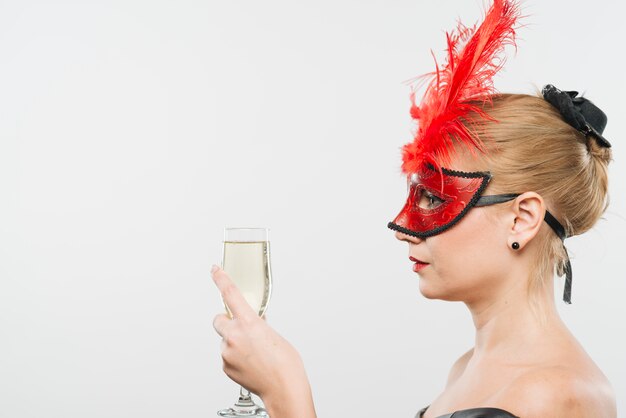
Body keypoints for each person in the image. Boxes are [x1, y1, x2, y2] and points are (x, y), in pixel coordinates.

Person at [212, 0, 617, 416]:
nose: (404, 228)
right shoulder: (467, 370)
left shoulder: (550, 395)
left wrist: (285, 393)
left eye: (435, 198)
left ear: (522, 218)